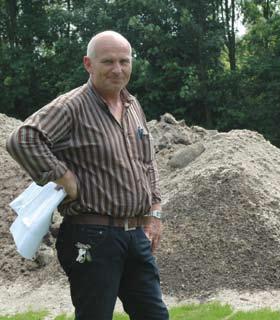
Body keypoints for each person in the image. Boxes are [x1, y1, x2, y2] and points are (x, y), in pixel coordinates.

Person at [6, 31, 169, 320]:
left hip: (134, 235)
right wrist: (63, 175)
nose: (118, 69)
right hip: (91, 235)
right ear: (88, 64)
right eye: (108, 61)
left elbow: (148, 161)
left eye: (124, 61)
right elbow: (22, 139)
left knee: (154, 315)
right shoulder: (72, 107)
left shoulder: (132, 106)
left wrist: (154, 211)